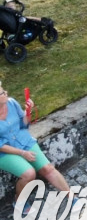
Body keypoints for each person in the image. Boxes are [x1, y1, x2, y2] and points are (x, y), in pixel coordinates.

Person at [0, 81, 75, 210]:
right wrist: (22, 153)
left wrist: (28, 112)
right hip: (5, 152)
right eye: (2, 93)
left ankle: (71, 198)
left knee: (47, 168)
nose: (6, 93)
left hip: (25, 141)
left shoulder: (11, 103)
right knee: (29, 173)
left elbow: (24, 124)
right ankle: (19, 201)